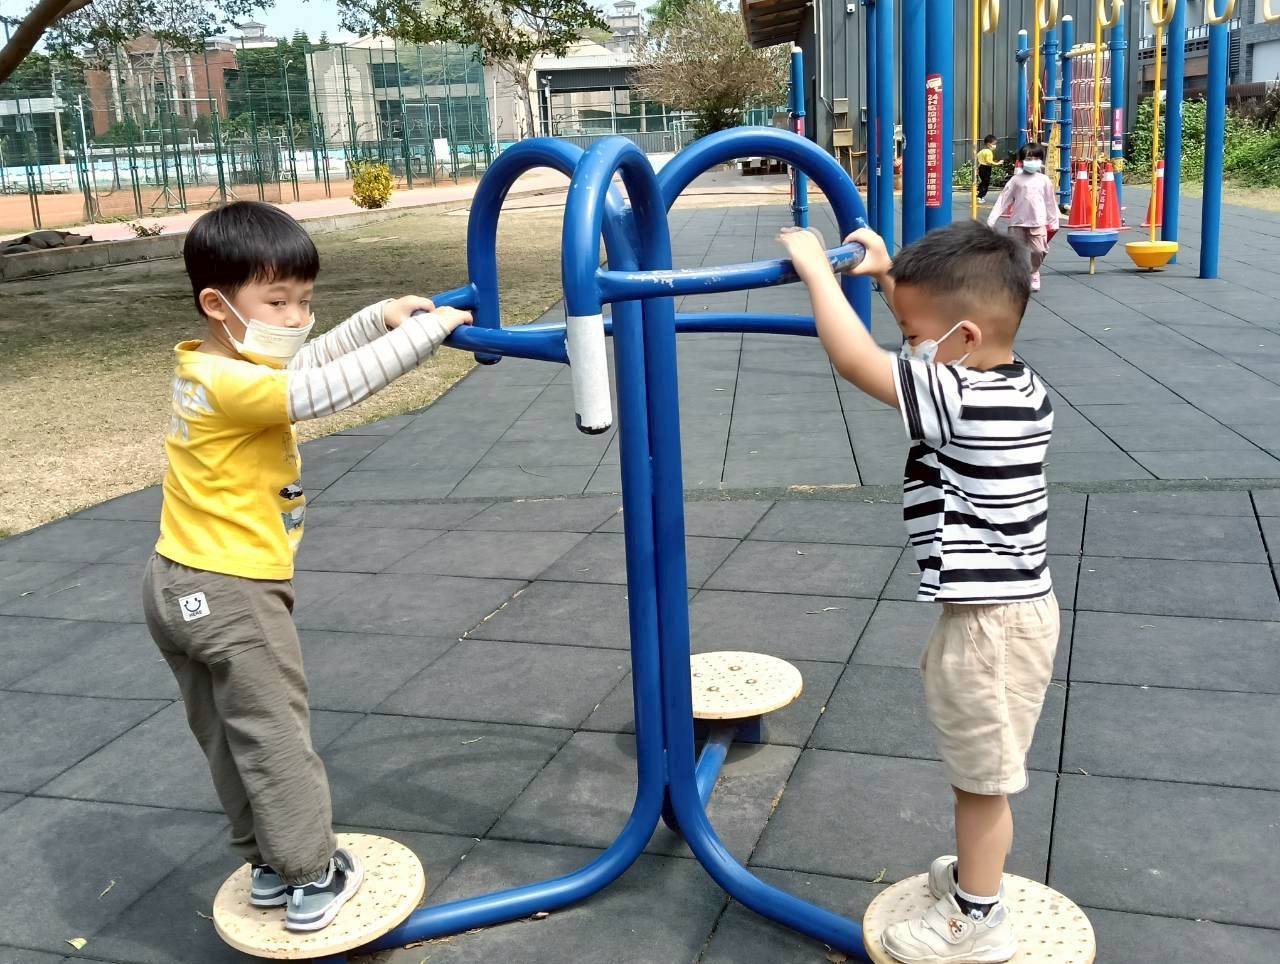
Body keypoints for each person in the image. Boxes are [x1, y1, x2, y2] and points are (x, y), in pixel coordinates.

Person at [141, 201, 472, 932]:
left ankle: (267, 862)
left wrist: (378, 317)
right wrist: (428, 332)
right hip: (232, 590)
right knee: (274, 735)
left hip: (174, 584)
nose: (296, 318)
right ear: (217, 304)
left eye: (305, 300)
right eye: (278, 302)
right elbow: (324, 389)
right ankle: (311, 873)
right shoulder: (236, 385)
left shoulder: (211, 365)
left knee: (227, 736)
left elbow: (311, 360)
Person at [778, 221, 1058, 964]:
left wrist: (817, 273)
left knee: (982, 782)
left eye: (912, 335)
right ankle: (973, 881)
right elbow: (930, 332)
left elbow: (854, 359)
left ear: (962, 341)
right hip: (1005, 614)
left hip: (992, 627)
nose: (907, 346)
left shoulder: (959, 400)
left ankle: (979, 917)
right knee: (979, 773)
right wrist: (884, 276)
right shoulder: (1015, 384)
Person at [987, 141, 1058, 293]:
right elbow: (1003, 199)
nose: (1032, 161)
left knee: (1039, 250)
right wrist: (992, 219)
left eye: (1036, 158)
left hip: (1038, 221)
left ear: (1040, 160)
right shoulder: (1016, 180)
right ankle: (1016, 277)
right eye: (1028, 159)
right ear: (1022, 161)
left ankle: (1034, 272)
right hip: (1018, 222)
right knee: (1014, 251)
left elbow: (1050, 201)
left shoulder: (1044, 180)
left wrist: (1053, 220)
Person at [976, 135, 999, 201]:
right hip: (986, 168)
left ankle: (978, 191)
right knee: (986, 183)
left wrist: (977, 168)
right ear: (989, 144)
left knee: (983, 181)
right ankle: (980, 196)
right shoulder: (989, 152)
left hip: (981, 167)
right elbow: (989, 162)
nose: (995, 146)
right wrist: (997, 163)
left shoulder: (981, 151)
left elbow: (977, 159)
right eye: (994, 144)